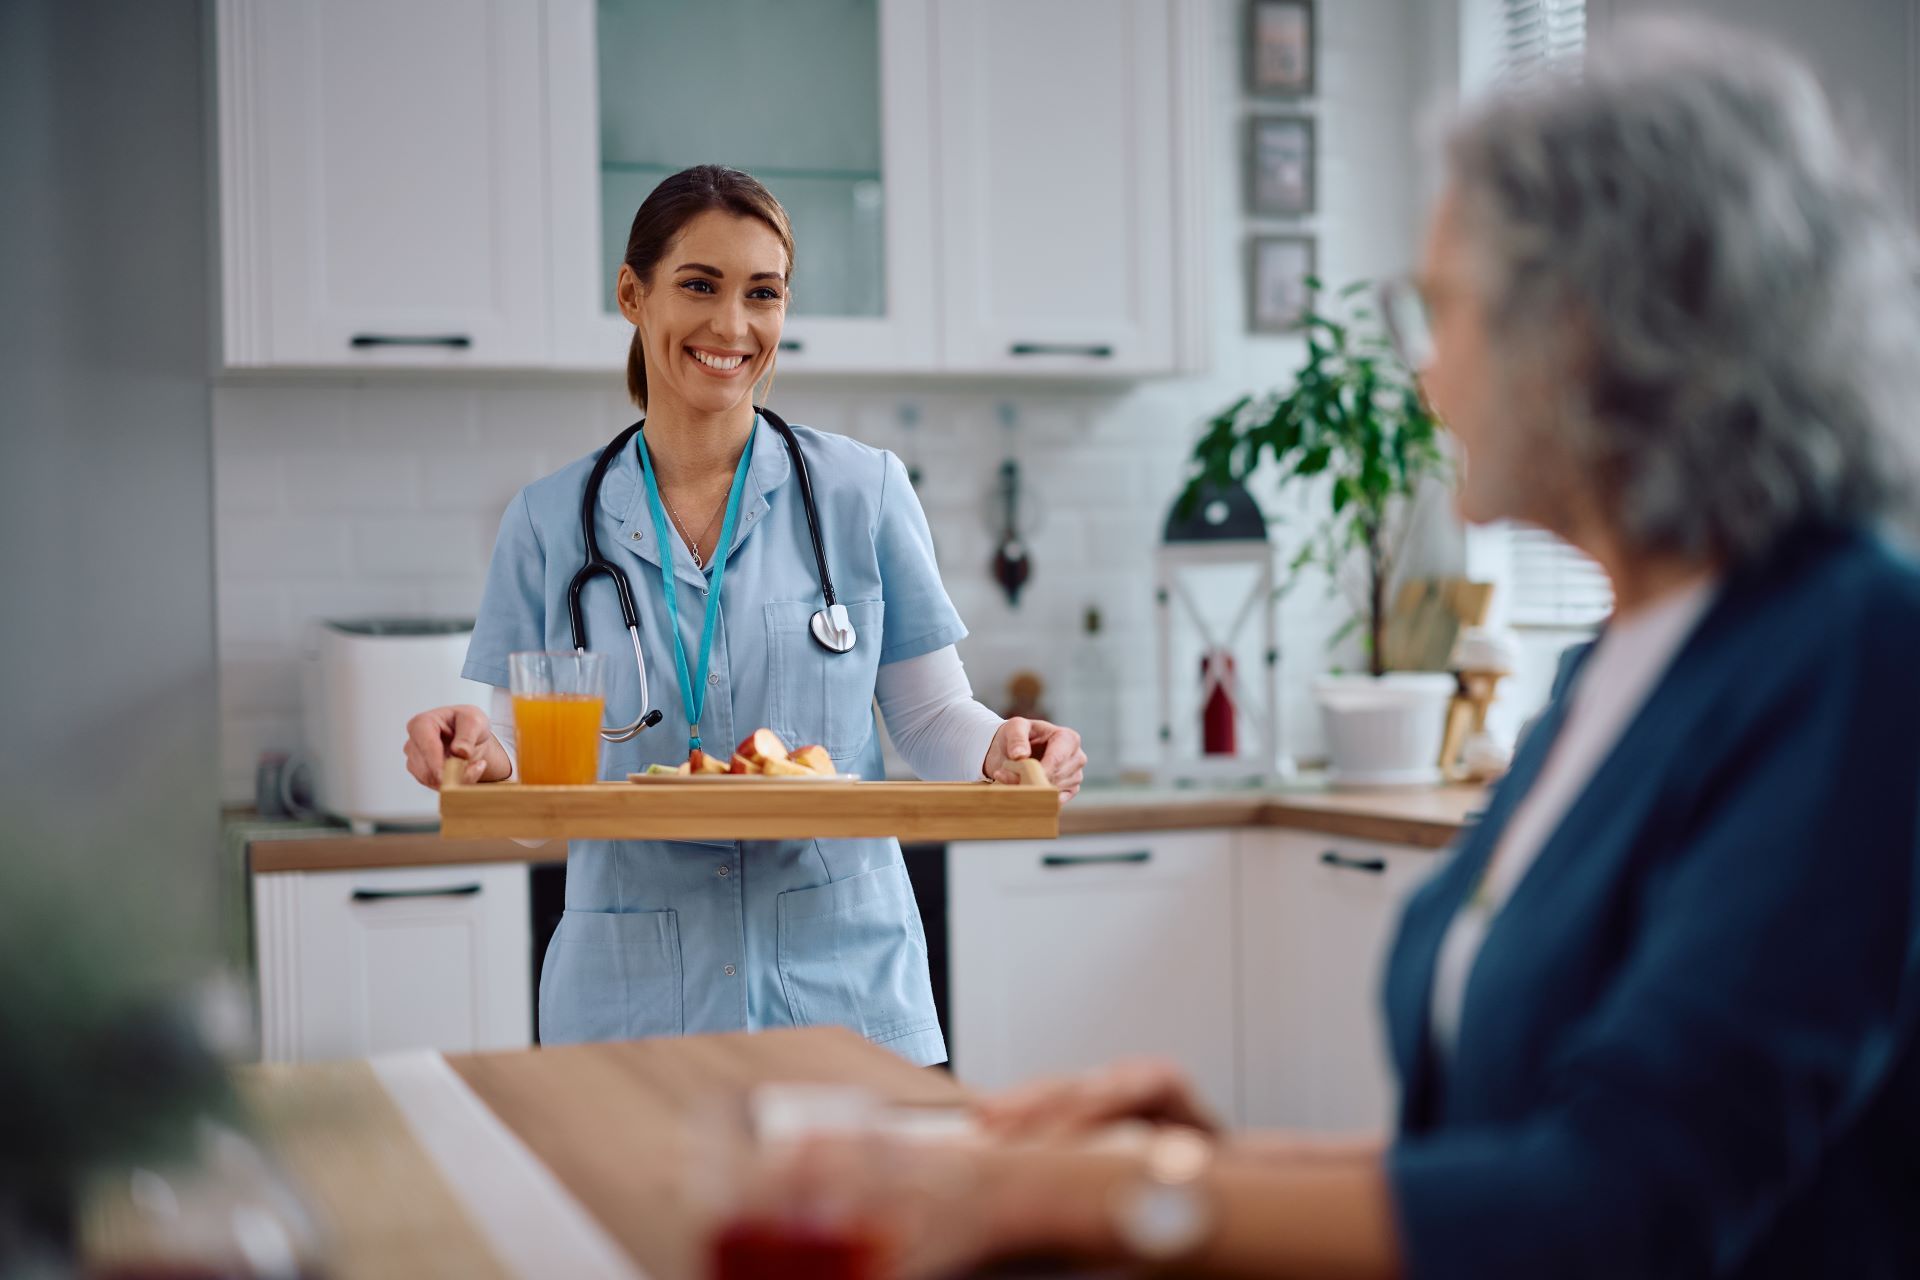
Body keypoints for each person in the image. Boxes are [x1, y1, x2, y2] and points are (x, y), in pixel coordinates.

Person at [752, 20, 1920, 1276]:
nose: (1422, 373)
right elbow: (1511, 1148)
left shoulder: (1852, 654)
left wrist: (1102, 1198)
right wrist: (1201, 1161)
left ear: (1592, 327)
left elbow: (1628, 1200)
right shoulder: (1621, 667)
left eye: (1447, 310)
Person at [403, 166, 1085, 1063]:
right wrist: (481, 761)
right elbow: (534, 779)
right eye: (699, 286)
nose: (732, 326)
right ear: (632, 293)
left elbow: (926, 716)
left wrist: (1003, 748)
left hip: (843, 994)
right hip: (632, 1007)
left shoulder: (862, 492)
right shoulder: (546, 522)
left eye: (762, 294)